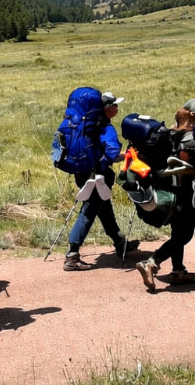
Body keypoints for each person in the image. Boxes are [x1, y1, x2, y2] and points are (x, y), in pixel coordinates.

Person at [135, 99, 195, 290]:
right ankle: (151, 262)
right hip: (184, 193)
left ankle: (178, 272)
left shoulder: (168, 133)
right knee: (184, 235)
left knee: (178, 231)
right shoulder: (191, 139)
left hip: (166, 191)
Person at [64, 92, 141, 271]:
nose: (117, 109)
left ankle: (120, 242)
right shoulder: (105, 128)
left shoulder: (82, 125)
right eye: (114, 105)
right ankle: (72, 256)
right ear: (106, 109)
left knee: (103, 207)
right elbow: (112, 152)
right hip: (98, 177)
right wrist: (123, 157)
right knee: (89, 211)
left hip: (82, 173)